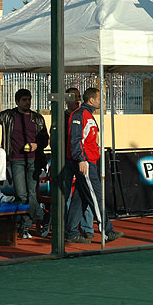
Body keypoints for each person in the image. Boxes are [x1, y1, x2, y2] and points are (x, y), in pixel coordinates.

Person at [0, 89, 48, 239]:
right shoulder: (8, 116)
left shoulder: (37, 118)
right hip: (16, 160)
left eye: (29, 99)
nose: (27, 102)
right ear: (17, 102)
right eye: (24, 100)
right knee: (21, 194)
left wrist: (37, 145)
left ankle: (24, 227)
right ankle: (44, 216)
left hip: (33, 160)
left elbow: (45, 139)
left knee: (30, 193)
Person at [65, 87, 123, 243]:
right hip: (86, 163)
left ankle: (70, 232)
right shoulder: (79, 114)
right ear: (91, 100)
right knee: (96, 198)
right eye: (99, 99)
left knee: (81, 198)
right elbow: (75, 139)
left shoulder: (88, 114)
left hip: (90, 161)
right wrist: (81, 159)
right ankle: (107, 230)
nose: (100, 101)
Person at [62, 87, 94, 242]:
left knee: (84, 193)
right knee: (66, 194)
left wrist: (83, 158)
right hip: (66, 160)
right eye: (73, 96)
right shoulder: (62, 116)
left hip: (80, 160)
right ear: (66, 99)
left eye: (78, 96)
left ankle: (88, 228)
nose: (77, 99)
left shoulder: (83, 115)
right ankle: (67, 229)